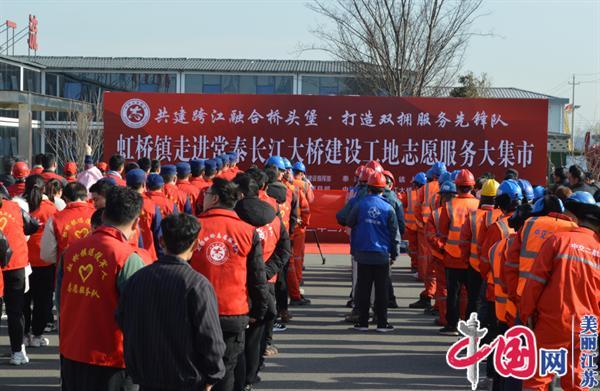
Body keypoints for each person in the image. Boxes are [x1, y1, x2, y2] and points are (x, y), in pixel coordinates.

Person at [117, 213, 226, 391]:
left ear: (161, 241)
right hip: (187, 376)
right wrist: (214, 374)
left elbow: (122, 318)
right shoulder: (197, 284)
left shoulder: (138, 278)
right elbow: (210, 337)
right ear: (195, 244)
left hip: (147, 373)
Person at [58, 186, 146, 391]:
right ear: (136, 222)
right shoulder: (127, 258)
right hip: (111, 359)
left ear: (103, 214)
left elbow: (59, 299)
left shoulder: (71, 251)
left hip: (72, 352)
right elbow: (139, 314)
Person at [190, 178, 268, 391]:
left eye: (206, 195)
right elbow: (257, 276)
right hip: (233, 313)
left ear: (214, 198)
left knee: (195, 369)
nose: (203, 198)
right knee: (226, 371)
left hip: (196, 312)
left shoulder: (194, 227)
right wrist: (259, 309)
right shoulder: (247, 231)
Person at [520, 191, 600, 390]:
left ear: (574, 219)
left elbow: (535, 282)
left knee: (538, 379)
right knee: (578, 381)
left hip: (553, 322)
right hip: (587, 326)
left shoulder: (558, 241)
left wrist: (526, 313)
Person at [233, 173, 290, 389]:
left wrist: (259, 273)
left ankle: (240, 379)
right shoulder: (273, 218)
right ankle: (251, 376)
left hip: (239, 284)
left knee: (238, 338)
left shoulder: (235, 220)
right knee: (256, 336)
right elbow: (285, 249)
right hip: (266, 283)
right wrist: (266, 272)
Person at [346, 171, 399, 332]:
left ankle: (362, 322)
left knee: (363, 288)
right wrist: (394, 254)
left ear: (368, 187)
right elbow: (394, 234)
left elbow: (349, 222)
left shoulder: (360, 205)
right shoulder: (389, 208)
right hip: (382, 255)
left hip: (362, 253)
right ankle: (382, 323)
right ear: (384, 189)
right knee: (381, 290)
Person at [435, 169, 479, 336]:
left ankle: (452, 324)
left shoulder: (449, 206)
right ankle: (470, 325)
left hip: (452, 257)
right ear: (472, 186)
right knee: (472, 294)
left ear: (457, 186)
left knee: (452, 292)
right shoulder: (478, 205)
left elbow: (443, 232)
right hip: (472, 258)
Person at [0, 193, 39, 365]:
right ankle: (18, 351)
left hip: (11, 264)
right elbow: (32, 225)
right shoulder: (15, 207)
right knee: (15, 311)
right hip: (16, 263)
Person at [21, 175, 58, 349]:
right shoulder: (51, 209)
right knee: (42, 301)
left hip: (23, 261)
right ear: (44, 189)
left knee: (23, 301)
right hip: (45, 261)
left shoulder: (19, 207)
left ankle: (24, 334)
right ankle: (37, 335)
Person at [41, 182, 96, 266]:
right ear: (85, 197)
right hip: (94, 266)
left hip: (66, 269)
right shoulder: (98, 214)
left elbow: (47, 256)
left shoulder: (55, 219)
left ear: (65, 199)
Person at [126, 169, 162, 260]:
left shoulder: (121, 203)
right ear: (144, 185)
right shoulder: (151, 205)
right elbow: (158, 235)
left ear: (126, 185)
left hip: (126, 255)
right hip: (148, 256)